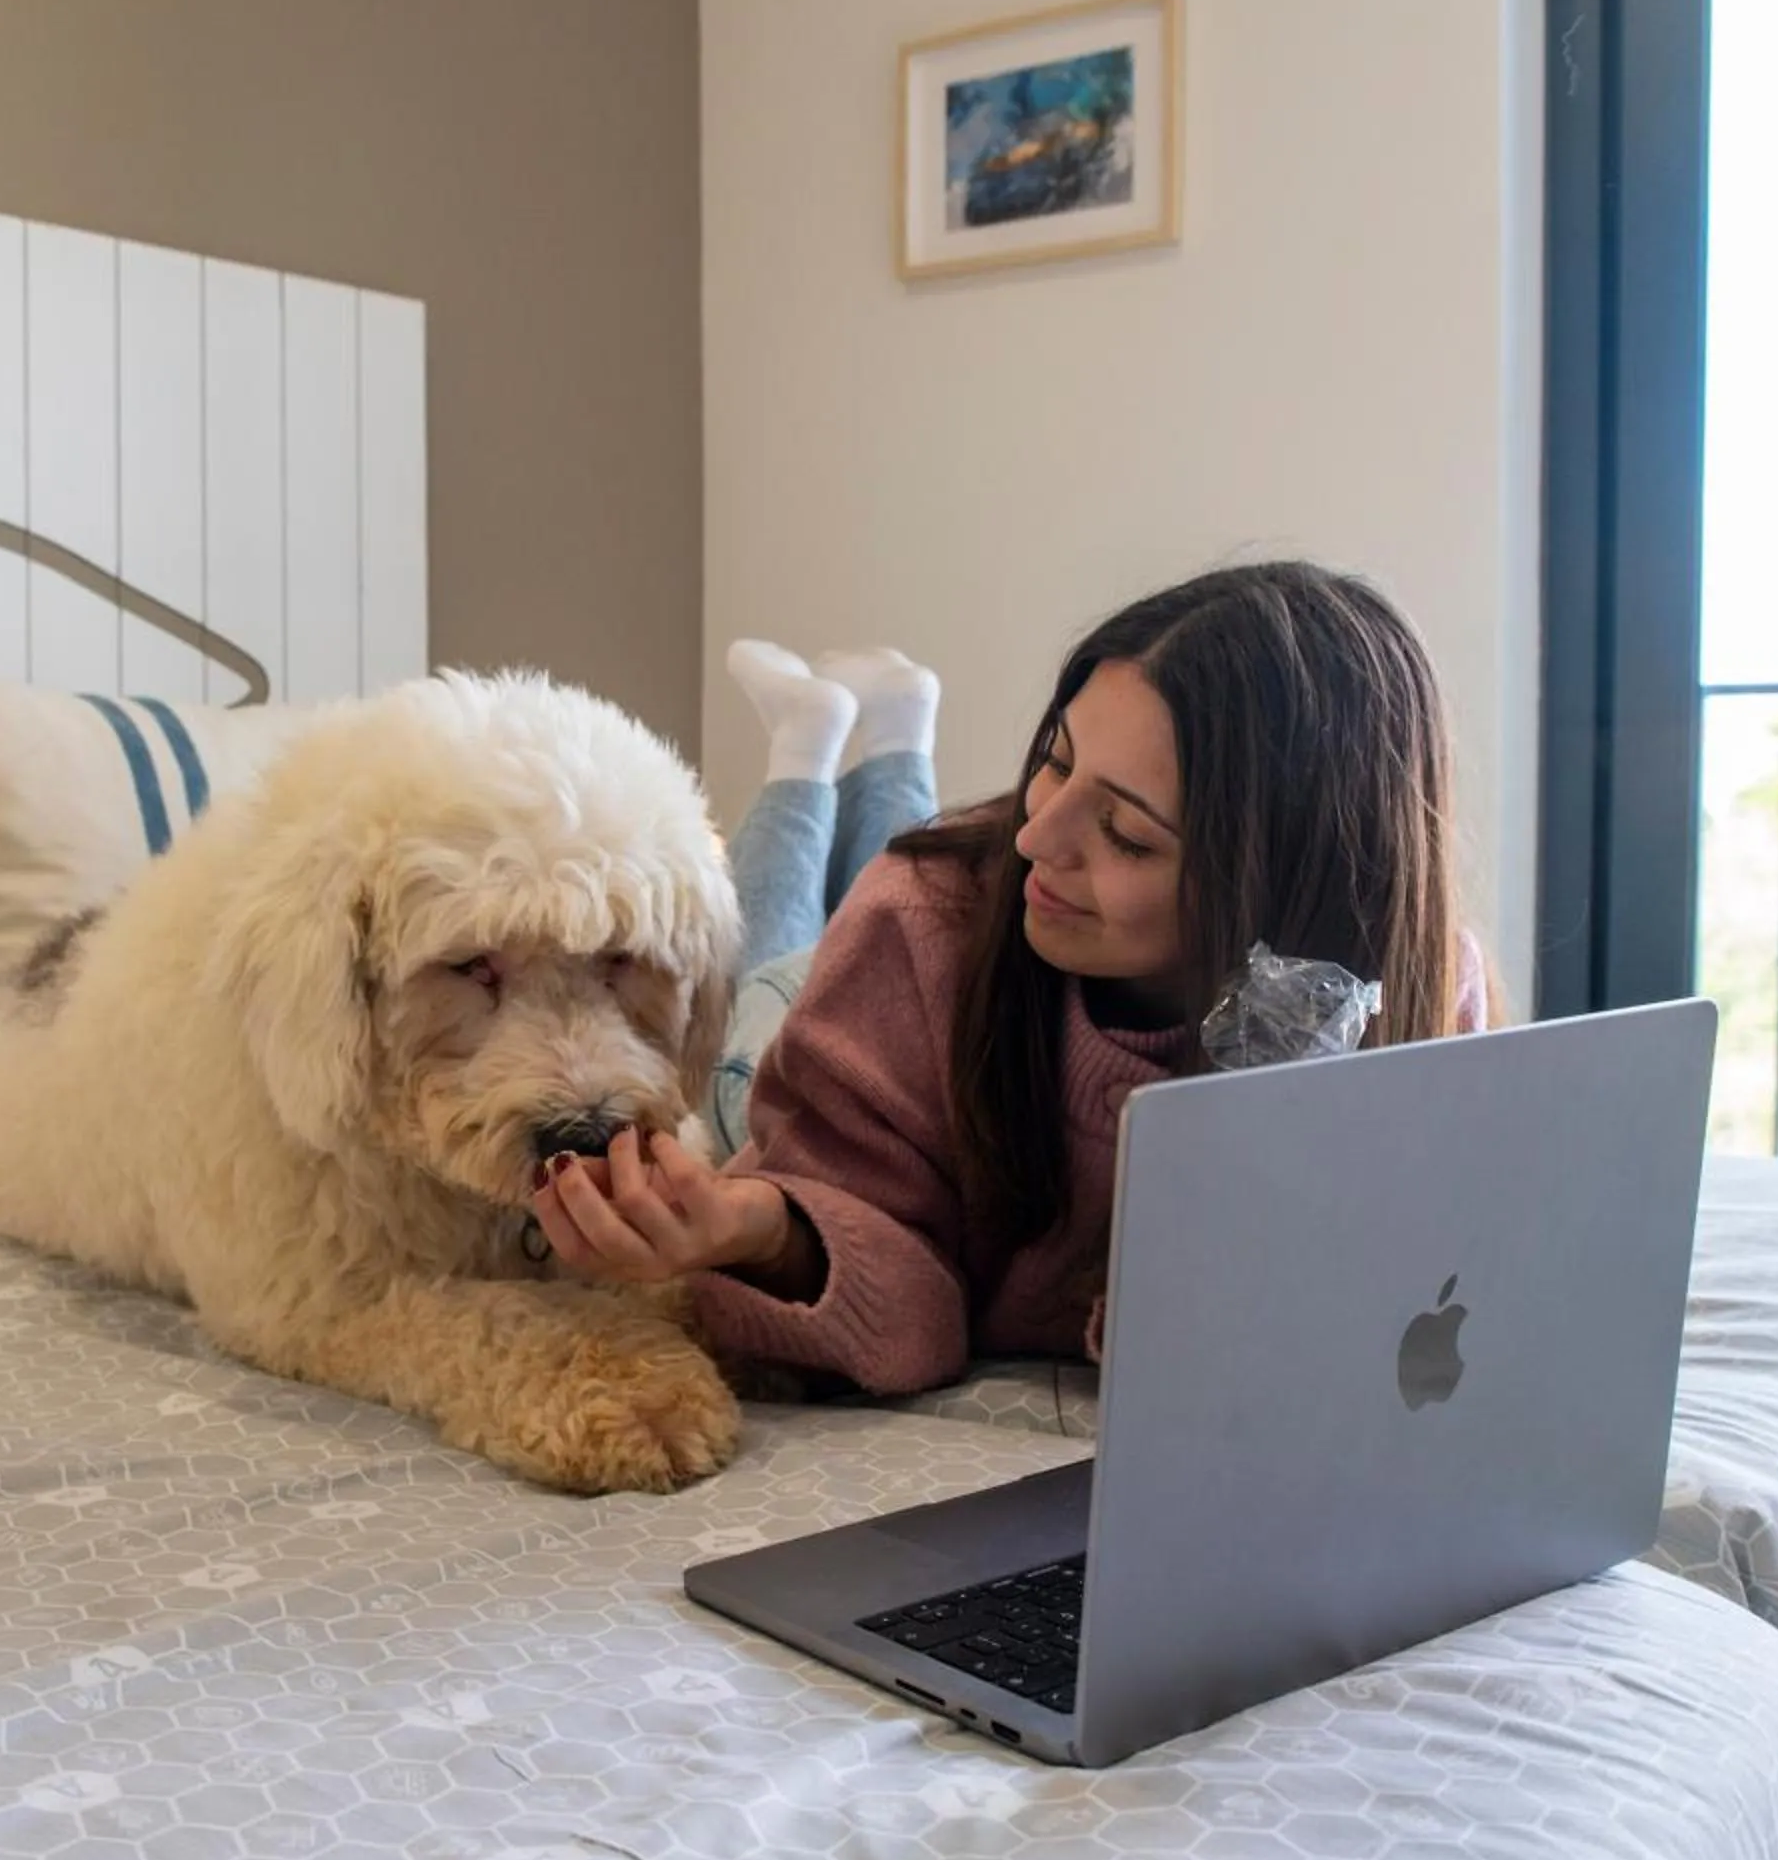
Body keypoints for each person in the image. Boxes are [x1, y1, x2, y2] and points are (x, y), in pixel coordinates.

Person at [527, 559, 1493, 1398]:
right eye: (1054, 764)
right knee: (769, 944)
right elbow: (912, 1319)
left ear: (1282, 884)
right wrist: (756, 1228)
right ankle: (820, 744)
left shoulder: (1400, 980)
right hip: (797, 1038)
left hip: (916, 989)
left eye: (1124, 833)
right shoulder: (920, 922)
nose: (1037, 837)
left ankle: (889, 729)